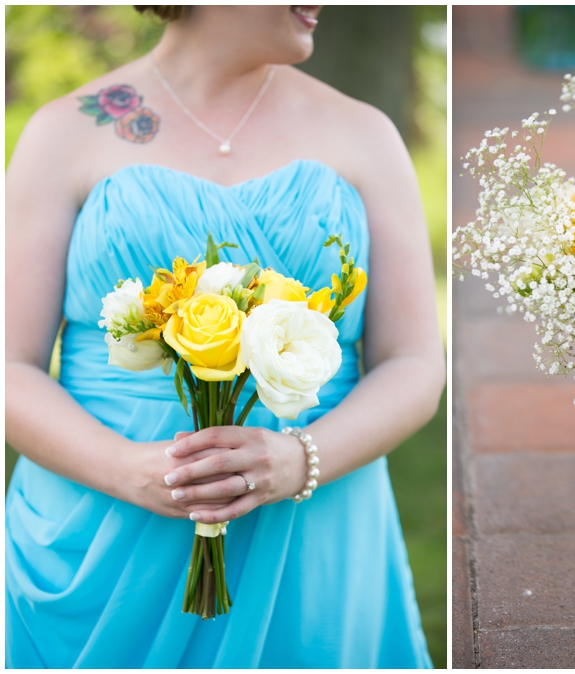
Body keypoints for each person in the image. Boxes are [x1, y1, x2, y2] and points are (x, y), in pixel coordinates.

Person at [5, 5, 444, 668]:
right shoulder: (64, 133)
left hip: (311, 537)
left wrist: (301, 459)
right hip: (106, 541)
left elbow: (413, 364)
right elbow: (8, 366)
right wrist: (129, 472)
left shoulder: (365, 135)